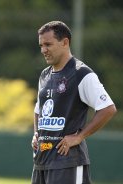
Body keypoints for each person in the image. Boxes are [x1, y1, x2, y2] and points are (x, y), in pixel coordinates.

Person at [31, 21, 117, 184]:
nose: (43, 50)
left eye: (48, 44)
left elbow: (108, 109)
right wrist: (36, 133)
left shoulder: (81, 73)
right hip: (41, 162)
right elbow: (39, 109)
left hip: (67, 163)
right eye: (41, 45)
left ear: (65, 42)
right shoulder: (44, 75)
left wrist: (79, 137)